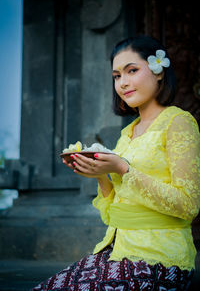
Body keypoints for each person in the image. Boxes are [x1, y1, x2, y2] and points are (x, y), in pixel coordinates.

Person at [32, 35, 200, 290]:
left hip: (161, 260)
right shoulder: (127, 133)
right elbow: (114, 211)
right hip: (114, 251)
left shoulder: (179, 122)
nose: (123, 83)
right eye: (116, 76)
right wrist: (99, 173)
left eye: (132, 70)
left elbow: (188, 205)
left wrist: (122, 168)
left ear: (158, 72)